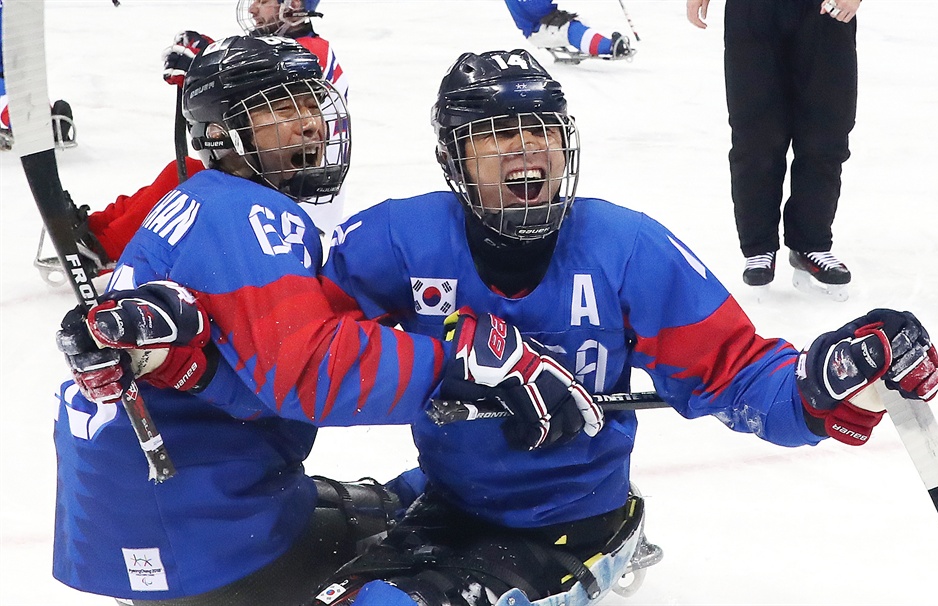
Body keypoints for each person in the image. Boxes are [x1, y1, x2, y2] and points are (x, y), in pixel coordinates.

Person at [304, 49, 938, 605]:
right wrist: (443, 351)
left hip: (565, 522)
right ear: (456, 158)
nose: (527, 147)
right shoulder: (395, 239)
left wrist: (824, 378)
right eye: (498, 133)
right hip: (450, 496)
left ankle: (614, 544)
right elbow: (298, 345)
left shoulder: (626, 247)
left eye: (542, 131)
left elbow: (737, 370)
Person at [52, 35, 593, 606]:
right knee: (444, 553)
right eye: (282, 109)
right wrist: (470, 363)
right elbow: (309, 371)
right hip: (209, 538)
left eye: (312, 104)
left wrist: (196, 370)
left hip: (148, 521)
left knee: (397, 503)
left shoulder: (196, 199)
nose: (310, 123)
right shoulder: (246, 213)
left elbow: (249, 380)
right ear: (220, 136)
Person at [36, 0, 345, 281]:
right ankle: (95, 229)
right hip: (276, 173)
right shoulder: (293, 49)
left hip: (300, 197)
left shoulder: (309, 54)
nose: (252, 9)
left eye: (263, 1)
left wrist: (205, 63)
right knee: (184, 169)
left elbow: (266, 69)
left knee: (193, 180)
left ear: (292, 4)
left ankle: (102, 247)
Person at [686, 0, 860, 300]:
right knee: (757, 135)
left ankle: (812, 242)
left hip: (825, 11)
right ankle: (759, 247)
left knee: (826, 133)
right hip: (753, 11)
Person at [0, 0, 77, 151]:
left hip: (15, 74)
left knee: (20, 99)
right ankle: (41, 122)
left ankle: (41, 122)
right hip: (14, 75)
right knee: (18, 100)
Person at [503, 0, 634, 63]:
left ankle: (599, 44)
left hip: (542, 23)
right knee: (572, 29)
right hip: (539, 30)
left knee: (579, 23)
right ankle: (610, 47)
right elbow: (535, 10)